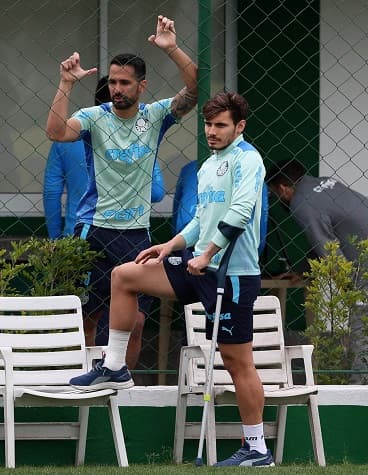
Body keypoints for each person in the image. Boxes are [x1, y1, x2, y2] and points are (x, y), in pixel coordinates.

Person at [70, 91, 274, 467]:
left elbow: (243, 210)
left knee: (236, 361)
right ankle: (114, 367)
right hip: (198, 263)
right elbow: (200, 219)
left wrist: (208, 254)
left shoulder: (249, 159)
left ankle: (257, 449)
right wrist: (170, 246)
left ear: (239, 126)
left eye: (220, 125)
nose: (211, 132)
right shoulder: (209, 164)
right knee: (125, 275)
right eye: (208, 124)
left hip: (232, 273)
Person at [46, 15, 197, 368]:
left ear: (141, 86)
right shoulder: (94, 117)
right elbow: (56, 132)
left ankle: (122, 385)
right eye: (113, 82)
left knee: (138, 320)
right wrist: (66, 83)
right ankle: (81, 380)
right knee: (88, 316)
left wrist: (172, 48)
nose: (117, 89)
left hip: (136, 235)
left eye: (125, 83)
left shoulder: (155, 116)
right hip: (93, 229)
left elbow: (195, 89)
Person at [267, 158, 368, 381]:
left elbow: (329, 250)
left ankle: (357, 389)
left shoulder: (301, 204)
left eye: (275, 193)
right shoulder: (324, 183)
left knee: (361, 326)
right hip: (364, 248)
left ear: (283, 188)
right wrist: (305, 269)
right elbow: (323, 238)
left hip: (364, 260)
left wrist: (350, 291)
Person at [44, 76, 166, 240]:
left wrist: (55, 239)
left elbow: (52, 192)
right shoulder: (141, 141)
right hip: (130, 231)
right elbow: (157, 192)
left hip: (79, 231)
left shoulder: (65, 140)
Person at [172, 160, 269, 254]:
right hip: (238, 244)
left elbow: (177, 214)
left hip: (189, 236)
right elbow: (259, 235)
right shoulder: (253, 169)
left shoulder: (192, 168)